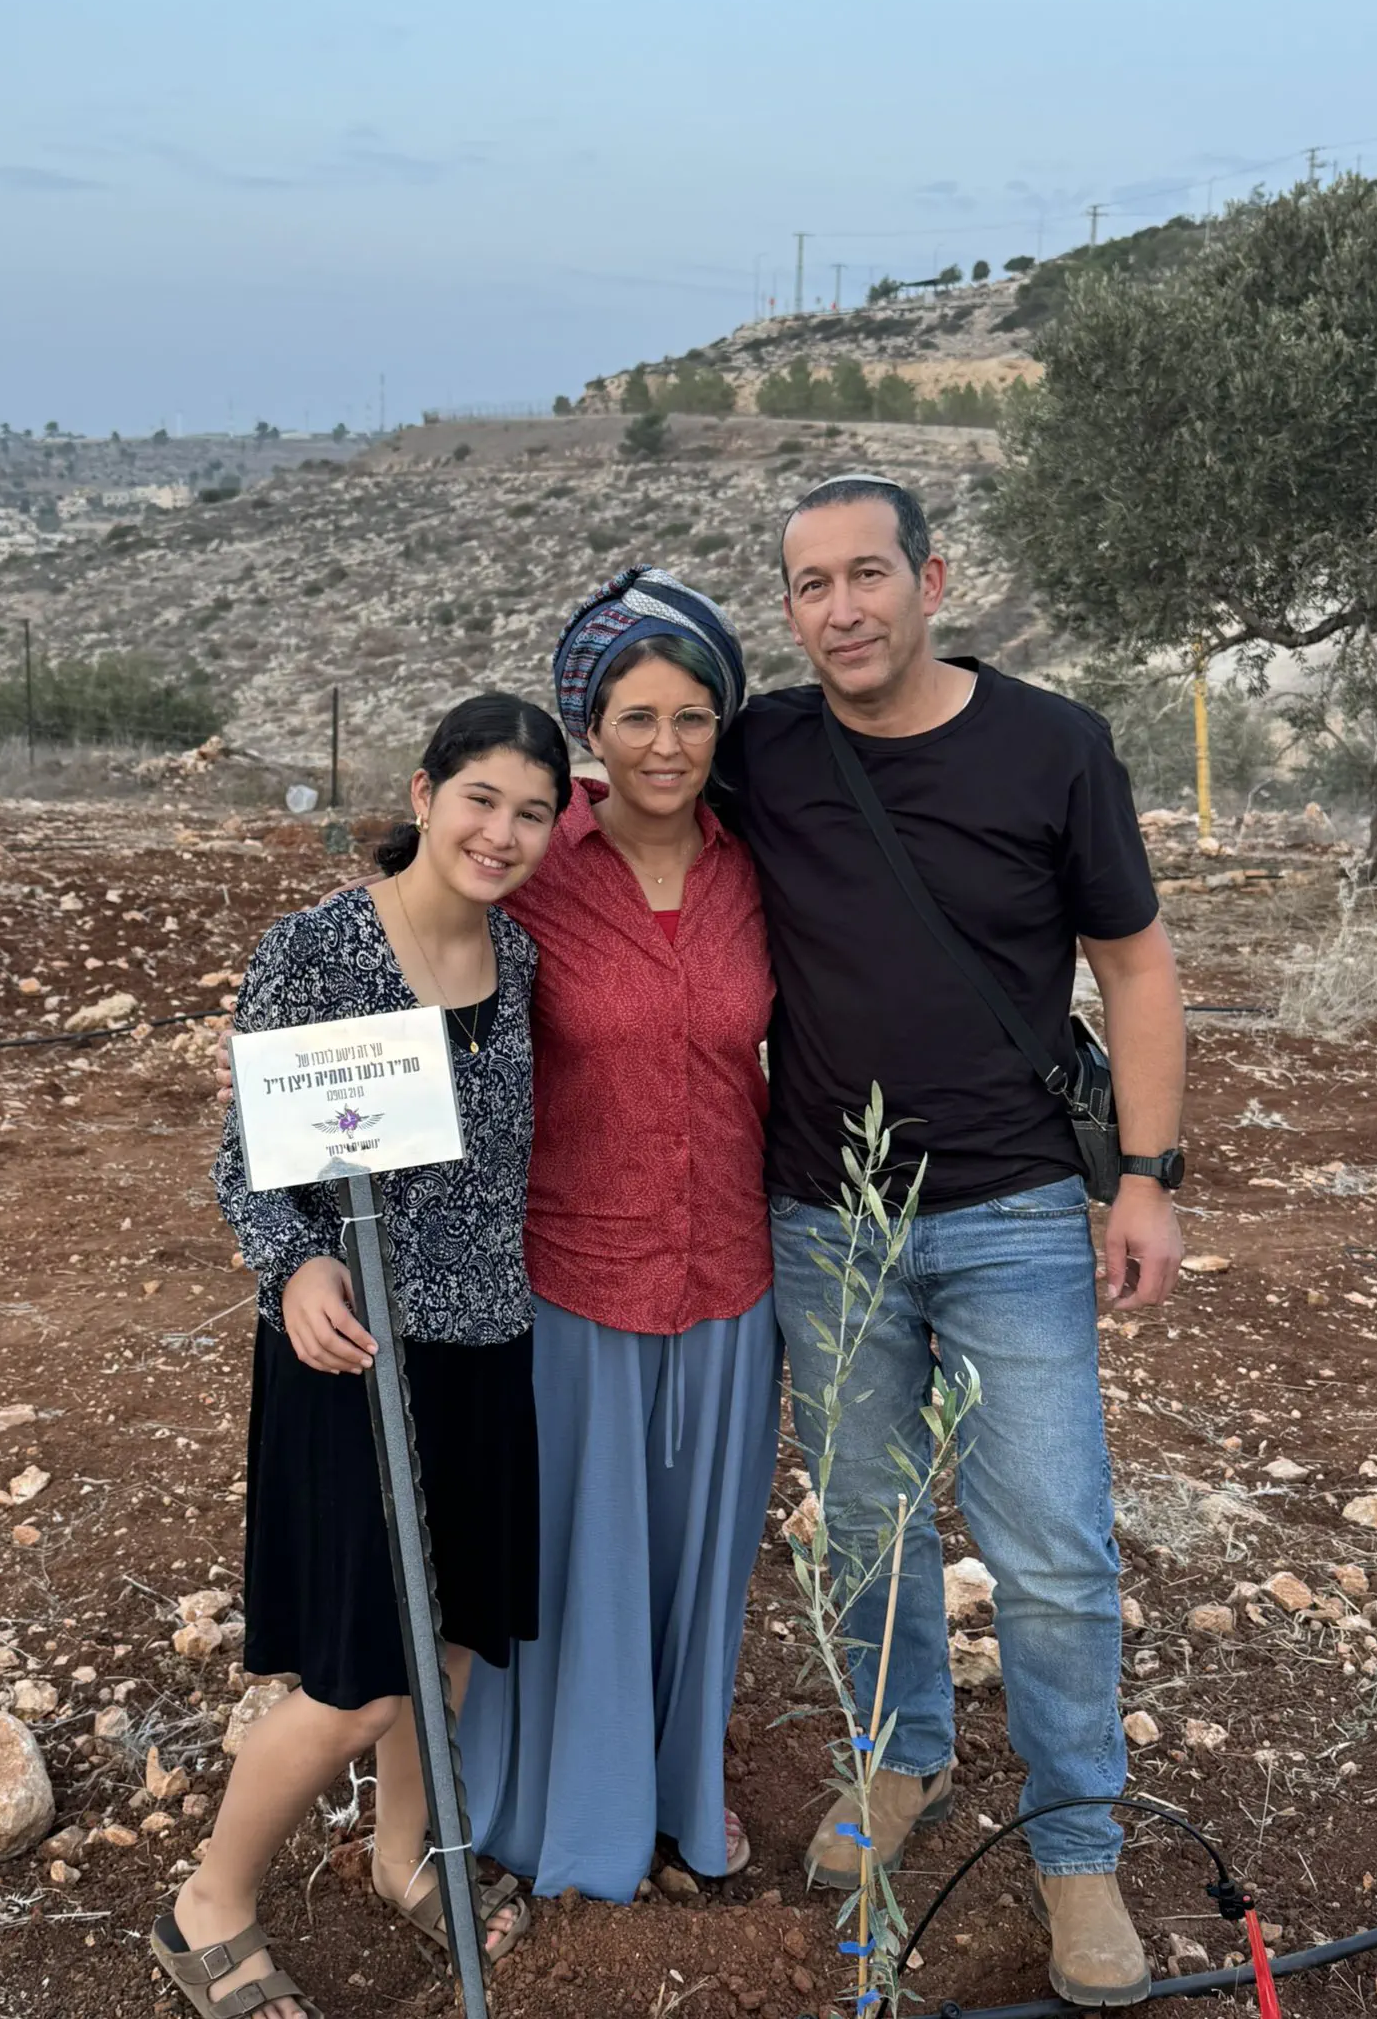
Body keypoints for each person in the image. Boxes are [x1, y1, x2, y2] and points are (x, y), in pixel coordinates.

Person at [719, 475, 1186, 2010]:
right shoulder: (768, 750)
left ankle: (1077, 1845)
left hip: (1015, 1217)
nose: (841, 609)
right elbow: (622, 792)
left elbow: (1135, 965)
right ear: (790, 612)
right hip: (825, 1217)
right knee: (865, 1526)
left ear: (932, 580)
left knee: (1050, 1545)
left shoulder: (1055, 746)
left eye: (868, 575)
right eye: (811, 586)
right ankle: (905, 1752)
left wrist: (1145, 1178)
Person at [155, 694, 569, 2019]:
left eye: (534, 813)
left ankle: (404, 1855)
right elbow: (247, 1159)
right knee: (354, 1685)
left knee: (448, 1643)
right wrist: (295, 1263)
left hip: (485, 1345)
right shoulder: (320, 949)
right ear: (426, 794)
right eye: (481, 799)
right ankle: (208, 1905)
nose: (502, 833)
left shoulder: (523, 960)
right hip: (353, 1352)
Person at [458, 567, 780, 1902]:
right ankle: (560, 1819)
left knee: (698, 1562)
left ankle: (678, 1796)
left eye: (692, 716)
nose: (664, 745)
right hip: (574, 1277)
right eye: (636, 716)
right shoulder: (534, 870)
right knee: (575, 1564)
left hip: (730, 1275)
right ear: (590, 726)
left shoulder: (757, 864)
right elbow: (413, 957)